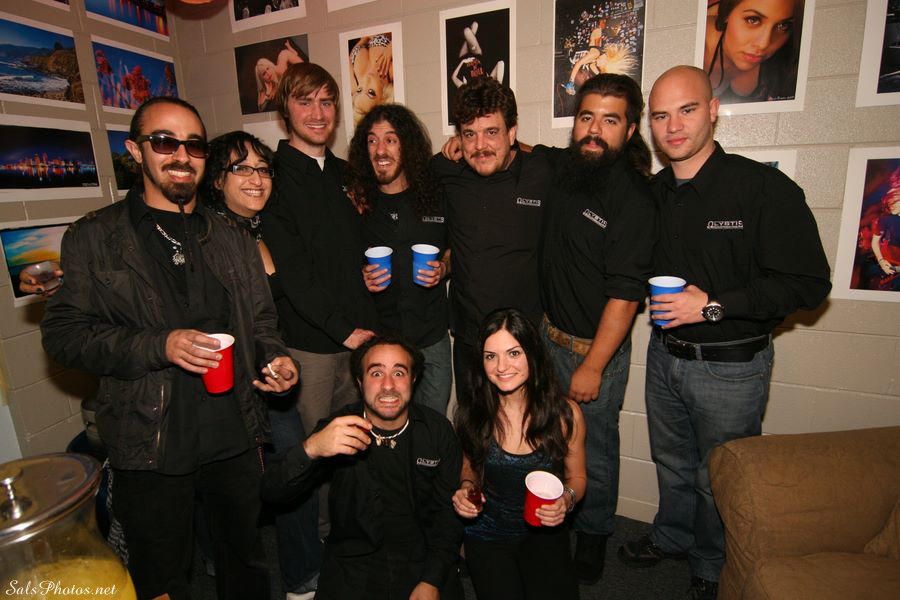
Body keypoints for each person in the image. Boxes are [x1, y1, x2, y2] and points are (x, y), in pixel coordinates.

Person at [40, 97, 298, 599]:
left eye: (194, 145)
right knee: (162, 575)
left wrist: (275, 359)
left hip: (234, 431)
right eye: (165, 142)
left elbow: (262, 322)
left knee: (245, 562)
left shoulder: (231, 236)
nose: (182, 155)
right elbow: (65, 336)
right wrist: (159, 345)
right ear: (136, 151)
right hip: (148, 438)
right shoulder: (95, 237)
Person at [617, 66, 831, 600]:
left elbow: (809, 284)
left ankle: (712, 565)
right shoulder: (652, 193)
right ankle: (672, 536)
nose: (673, 126)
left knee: (719, 477)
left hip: (731, 368)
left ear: (713, 110)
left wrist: (711, 306)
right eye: (660, 116)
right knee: (672, 463)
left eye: (687, 110)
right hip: (664, 355)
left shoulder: (762, 189)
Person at [534, 73, 657, 584]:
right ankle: (555, 517)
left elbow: (626, 297)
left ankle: (594, 535)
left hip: (591, 351)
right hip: (547, 337)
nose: (594, 130)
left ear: (630, 129)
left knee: (596, 449)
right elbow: (531, 150)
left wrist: (593, 366)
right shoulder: (568, 166)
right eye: (587, 117)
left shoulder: (633, 198)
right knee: (549, 440)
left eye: (610, 120)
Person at [201, 130, 321, 599]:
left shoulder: (258, 227)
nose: (257, 178)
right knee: (226, 481)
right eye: (242, 168)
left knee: (292, 470)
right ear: (217, 179)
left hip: (269, 372)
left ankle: (302, 575)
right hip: (225, 380)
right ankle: (219, 563)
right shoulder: (205, 235)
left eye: (263, 169)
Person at [263, 62, 379, 542]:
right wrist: (342, 329)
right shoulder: (272, 177)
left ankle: (351, 527)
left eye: (326, 102)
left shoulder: (346, 173)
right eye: (304, 101)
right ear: (285, 110)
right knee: (318, 449)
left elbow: (354, 249)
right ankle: (323, 540)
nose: (317, 113)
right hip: (311, 344)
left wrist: (369, 279)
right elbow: (293, 274)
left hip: (360, 338)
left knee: (357, 443)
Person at [262, 336, 464, 600]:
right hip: (353, 561)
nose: (388, 385)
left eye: (399, 373)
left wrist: (432, 579)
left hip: (422, 558)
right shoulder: (338, 427)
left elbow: (449, 514)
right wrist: (311, 448)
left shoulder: (436, 430)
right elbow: (271, 492)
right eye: (376, 373)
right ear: (359, 382)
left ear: (413, 379)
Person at [432, 77, 553, 405]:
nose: (480, 145)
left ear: (512, 133)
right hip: (469, 339)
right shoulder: (445, 171)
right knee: (473, 426)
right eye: (469, 134)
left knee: (529, 427)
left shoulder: (542, 172)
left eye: (491, 132)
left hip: (525, 340)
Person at [452, 308, 586, 600]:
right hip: (487, 535)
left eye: (513, 353)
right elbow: (469, 465)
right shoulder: (473, 413)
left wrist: (566, 499)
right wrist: (466, 488)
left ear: (533, 355)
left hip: (545, 532)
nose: (502, 366)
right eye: (491, 356)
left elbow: (577, 477)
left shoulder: (565, 415)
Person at [347, 104, 453, 416]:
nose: (381, 150)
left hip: (432, 339)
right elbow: (337, 262)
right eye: (372, 140)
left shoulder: (436, 195)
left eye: (391, 140)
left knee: (432, 426)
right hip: (381, 343)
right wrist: (360, 277)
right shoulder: (355, 203)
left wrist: (444, 267)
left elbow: (456, 248)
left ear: (407, 145)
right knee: (386, 428)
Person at [703, 0, 805, 102]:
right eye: (752, 20)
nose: (763, 44)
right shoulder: (698, 43)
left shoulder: (790, 55)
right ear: (727, 13)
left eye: (783, 25)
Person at [348, 34, 394, 124]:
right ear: (382, 98)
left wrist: (365, 37)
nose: (366, 81)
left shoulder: (353, 85)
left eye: (360, 90)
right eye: (371, 92)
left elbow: (348, 59)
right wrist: (391, 47)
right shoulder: (390, 72)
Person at [869, 168, 900, 290]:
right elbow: (875, 241)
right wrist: (881, 261)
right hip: (891, 260)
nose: (890, 203)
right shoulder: (885, 219)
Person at [450, 21, 505, 88]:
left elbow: (453, 77)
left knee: (469, 29)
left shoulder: (468, 89)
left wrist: (463, 61)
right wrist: (499, 87)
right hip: (476, 54)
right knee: (470, 28)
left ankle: (468, 38)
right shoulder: (489, 85)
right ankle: (469, 37)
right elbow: (500, 63)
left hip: (463, 57)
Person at [256, 40, 305, 112]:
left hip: (299, 65)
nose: (268, 74)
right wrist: (268, 92)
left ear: (270, 66)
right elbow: (260, 108)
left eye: (268, 68)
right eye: (264, 74)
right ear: (261, 78)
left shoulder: (280, 71)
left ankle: (289, 47)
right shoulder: (268, 85)